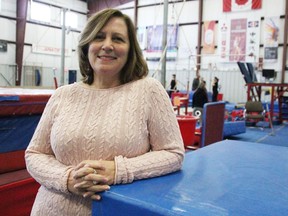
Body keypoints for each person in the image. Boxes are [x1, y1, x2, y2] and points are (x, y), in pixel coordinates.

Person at [25, 9, 184, 216]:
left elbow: (173, 153)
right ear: (87, 45)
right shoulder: (62, 95)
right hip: (52, 209)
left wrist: (118, 170)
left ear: (130, 49)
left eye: (117, 39)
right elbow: (35, 154)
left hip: (116, 210)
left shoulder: (149, 91)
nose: (107, 45)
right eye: (99, 37)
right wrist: (67, 178)